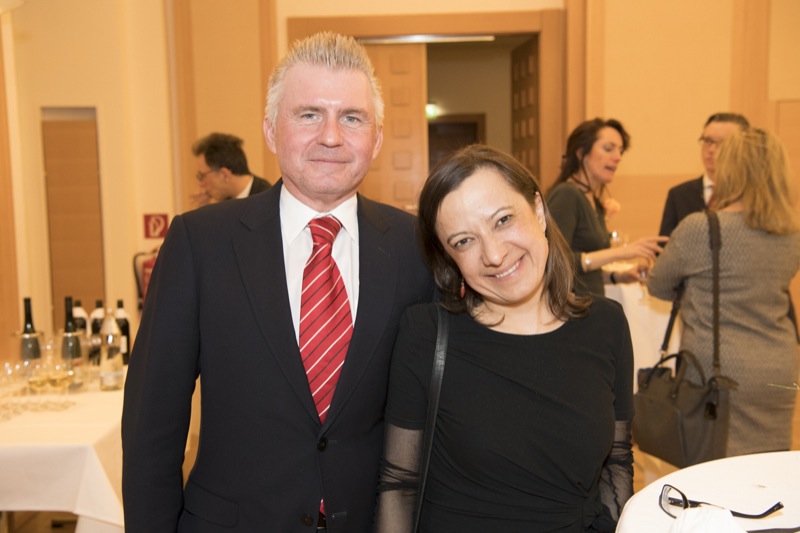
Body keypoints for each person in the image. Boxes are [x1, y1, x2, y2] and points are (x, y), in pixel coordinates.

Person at [121, 32, 435, 532]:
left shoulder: (416, 248)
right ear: (270, 131)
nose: (330, 136)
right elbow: (151, 425)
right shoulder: (200, 243)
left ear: (376, 139)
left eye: (352, 118)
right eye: (308, 114)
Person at [375, 145, 634, 532]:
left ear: (539, 210)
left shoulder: (606, 324)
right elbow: (399, 485)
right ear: (449, 257)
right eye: (464, 241)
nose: (494, 255)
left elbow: (617, 461)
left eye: (503, 220)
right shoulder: (426, 333)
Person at [647, 128, 800, 457]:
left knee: (712, 469)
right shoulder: (791, 233)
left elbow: (658, 284)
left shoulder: (700, 227)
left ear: (730, 170)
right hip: (778, 368)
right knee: (769, 466)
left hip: (715, 369)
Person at [547, 118, 667, 296]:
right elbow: (555, 261)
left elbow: (583, 272)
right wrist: (622, 252)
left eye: (620, 151)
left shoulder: (593, 201)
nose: (617, 157)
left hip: (592, 302)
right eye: (608, 149)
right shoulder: (566, 194)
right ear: (581, 153)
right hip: (571, 305)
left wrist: (617, 277)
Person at [658, 112, 750, 236]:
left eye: (723, 143)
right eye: (707, 141)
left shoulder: (752, 195)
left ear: (744, 148)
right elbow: (665, 245)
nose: (711, 149)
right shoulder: (679, 195)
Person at [190, 131, 271, 206]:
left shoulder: (267, 201)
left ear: (224, 175)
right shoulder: (223, 201)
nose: (201, 184)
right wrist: (206, 209)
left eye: (202, 176)